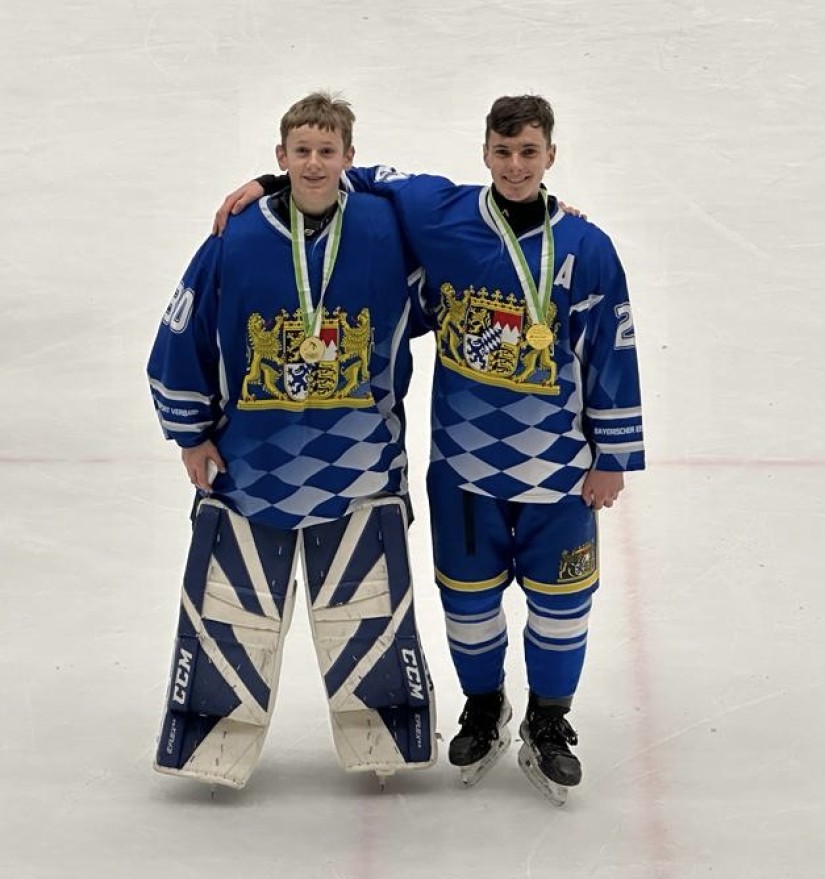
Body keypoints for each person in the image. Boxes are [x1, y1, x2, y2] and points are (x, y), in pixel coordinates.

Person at [212, 94, 645, 804]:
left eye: (528, 153)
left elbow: (611, 354)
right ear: (483, 154)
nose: (514, 166)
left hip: (561, 472)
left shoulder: (585, 248)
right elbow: (354, 171)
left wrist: (610, 456)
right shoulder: (441, 212)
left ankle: (548, 718)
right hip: (463, 467)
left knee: (562, 606)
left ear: (550, 157)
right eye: (502, 153)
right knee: (468, 606)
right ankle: (483, 707)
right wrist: (268, 184)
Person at [147, 91, 436, 790]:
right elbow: (179, 338)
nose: (313, 163)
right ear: (279, 159)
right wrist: (191, 436)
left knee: (369, 613)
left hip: (362, 466)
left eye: (326, 152)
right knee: (228, 614)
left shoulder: (383, 229)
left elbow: (456, 246)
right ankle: (212, 737)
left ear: (348, 159)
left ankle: (386, 732)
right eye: (299, 153)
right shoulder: (236, 236)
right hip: (248, 468)